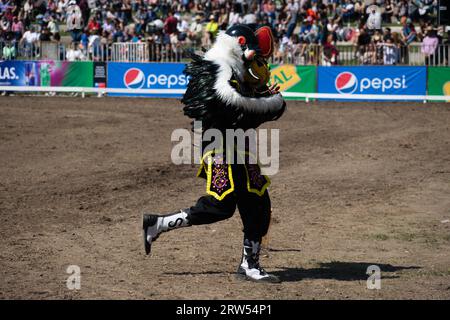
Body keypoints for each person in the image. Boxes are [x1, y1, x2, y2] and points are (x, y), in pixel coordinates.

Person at [143, 24, 286, 283]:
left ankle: (249, 265)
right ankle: (159, 224)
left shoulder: (233, 68)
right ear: (241, 42)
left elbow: (241, 111)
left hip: (239, 146)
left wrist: (264, 96)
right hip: (221, 147)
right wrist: (270, 104)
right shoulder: (219, 65)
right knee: (223, 205)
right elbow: (229, 104)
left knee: (255, 203)